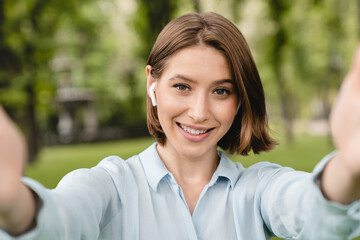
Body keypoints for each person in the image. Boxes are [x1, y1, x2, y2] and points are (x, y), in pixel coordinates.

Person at [0, 12, 360, 240]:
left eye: (221, 90)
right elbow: (62, 220)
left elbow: (312, 212)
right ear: (152, 86)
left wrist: (350, 164)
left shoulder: (258, 188)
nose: (200, 112)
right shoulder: (111, 184)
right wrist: (12, 200)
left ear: (240, 101)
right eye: (182, 87)